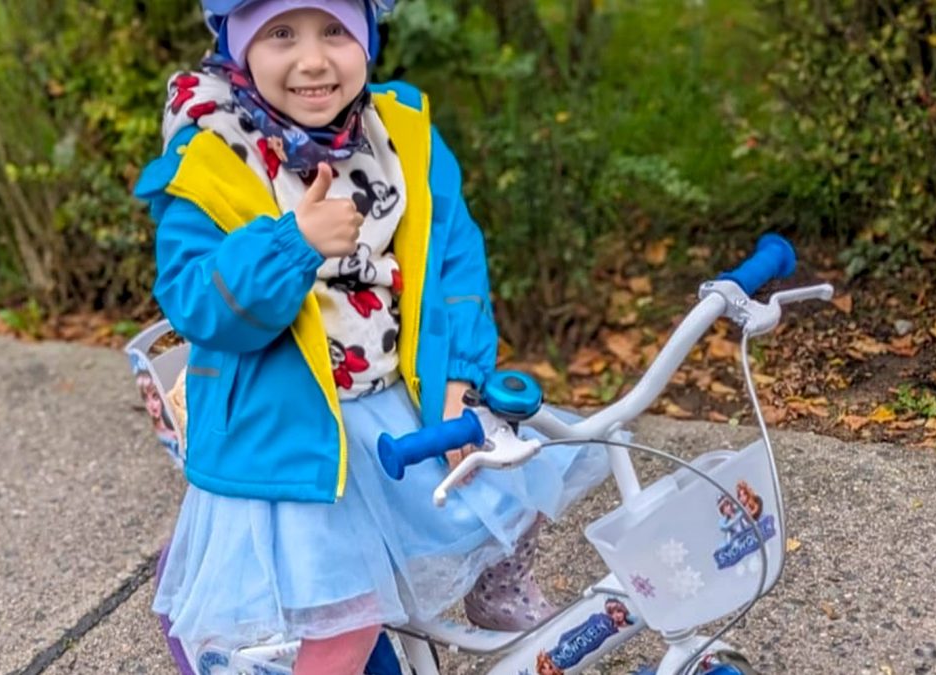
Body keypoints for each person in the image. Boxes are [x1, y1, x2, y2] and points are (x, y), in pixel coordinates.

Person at [134, 1, 612, 672]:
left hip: (394, 400)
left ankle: (491, 585)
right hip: (285, 433)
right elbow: (198, 305)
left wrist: (456, 384)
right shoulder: (214, 158)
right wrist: (292, 243)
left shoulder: (399, 136)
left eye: (335, 29)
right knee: (345, 618)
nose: (312, 58)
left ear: (367, 37)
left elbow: (453, 263)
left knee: (515, 481)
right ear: (238, 48)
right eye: (280, 34)